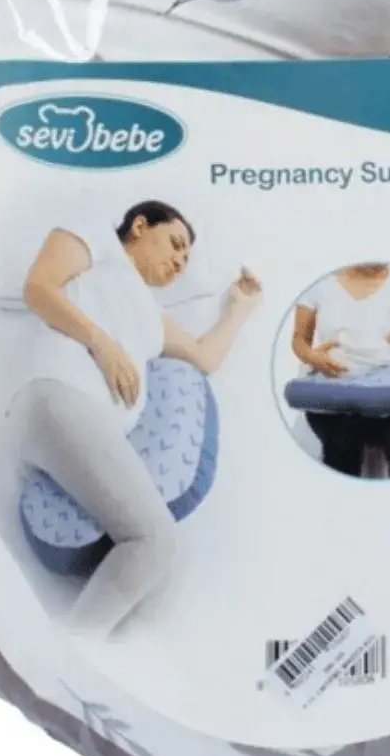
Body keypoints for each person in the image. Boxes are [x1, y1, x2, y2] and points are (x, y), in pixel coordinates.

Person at [17, 200, 261, 632]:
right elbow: (38, 287)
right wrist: (102, 345)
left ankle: (110, 659)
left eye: (187, 258)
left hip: (87, 424)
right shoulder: (95, 235)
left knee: (165, 568)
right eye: (175, 243)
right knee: (155, 542)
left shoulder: (151, 317)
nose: (180, 261)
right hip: (61, 392)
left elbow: (204, 357)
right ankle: (67, 655)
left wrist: (240, 308)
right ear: (140, 226)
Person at [291, 262, 390, 478]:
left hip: (387, 387)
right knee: (341, 449)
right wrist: (313, 357)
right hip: (335, 383)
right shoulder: (319, 285)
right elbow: (300, 340)